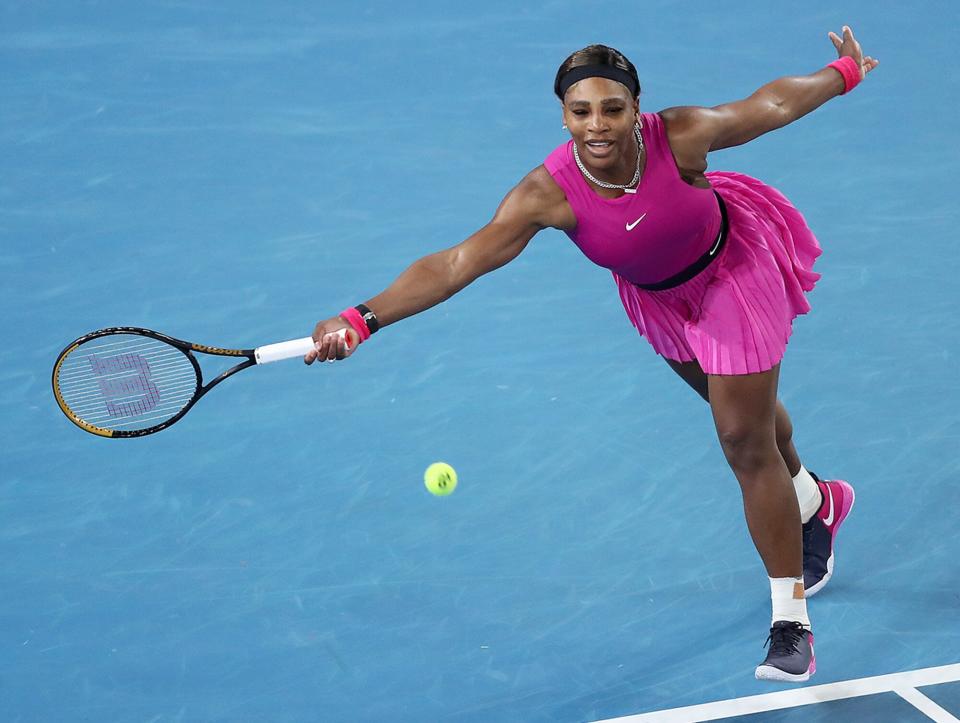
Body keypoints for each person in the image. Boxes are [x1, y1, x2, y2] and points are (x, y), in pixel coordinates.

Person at [304, 26, 878, 682]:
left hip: (732, 274)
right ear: (563, 114)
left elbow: (770, 106)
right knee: (756, 423)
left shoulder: (680, 135)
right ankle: (813, 500)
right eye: (581, 111)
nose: (597, 125)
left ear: (636, 108)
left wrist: (845, 72)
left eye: (612, 108)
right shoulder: (545, 194)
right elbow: (459, 261)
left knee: (743, 437)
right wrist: (360, 319)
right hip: (660, 299)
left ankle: (790, 625)